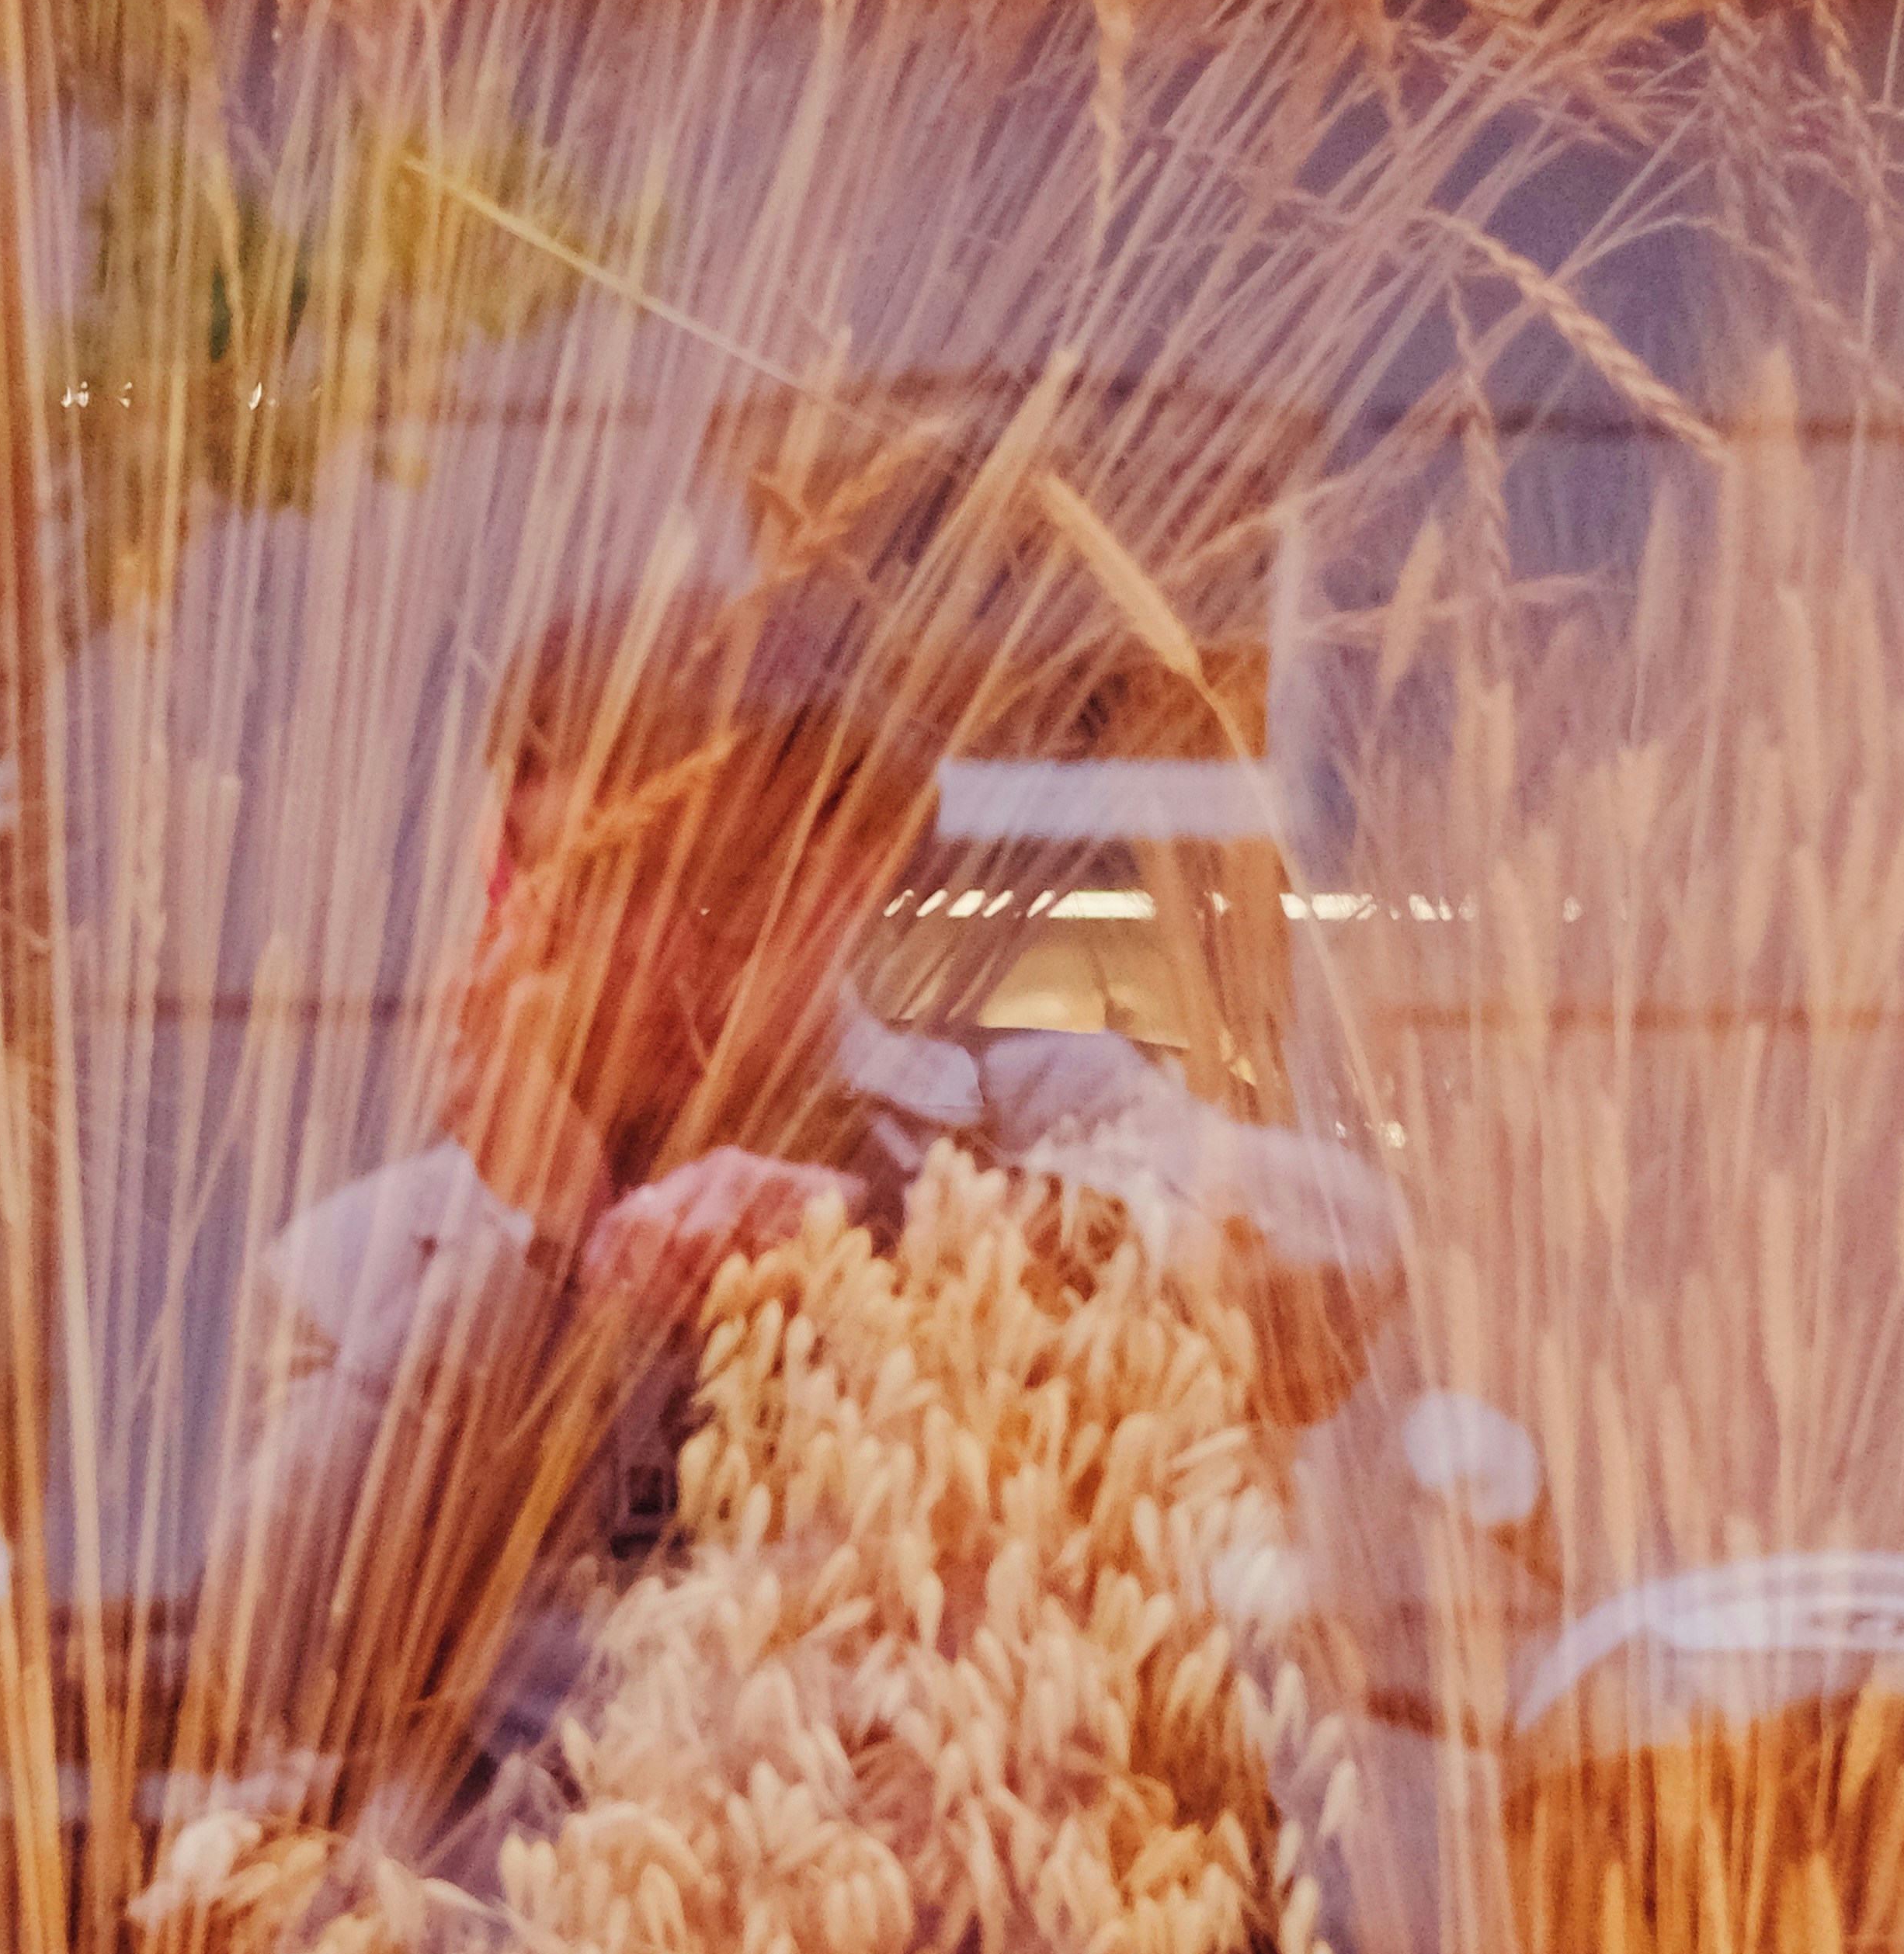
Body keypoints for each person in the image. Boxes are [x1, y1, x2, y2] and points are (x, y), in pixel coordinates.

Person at [202, 581, 1407, 1875]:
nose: (655, 952)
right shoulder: (367, 1269)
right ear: (517, 894)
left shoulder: (1023, 1115)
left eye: (724, 887)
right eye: (602, 884)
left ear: (851, 879)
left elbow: (1347, 1255)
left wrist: (905, 1249)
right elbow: (261, 1664)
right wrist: (525, 1251)